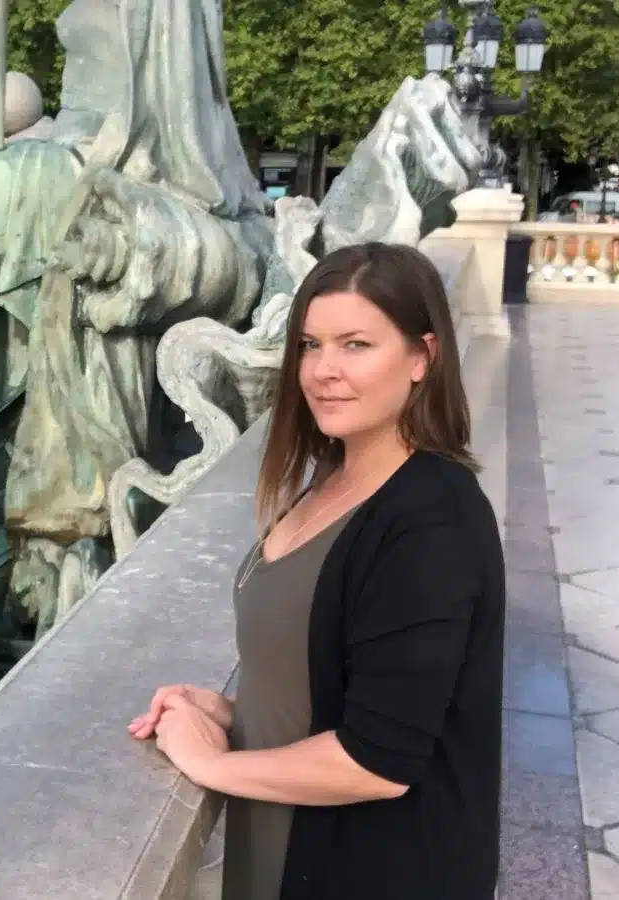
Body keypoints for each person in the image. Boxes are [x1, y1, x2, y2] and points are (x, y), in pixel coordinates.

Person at [129, 242, 505, 900]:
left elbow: (377, 762)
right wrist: (232, 712)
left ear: (422, 356)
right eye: (310, 345)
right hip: (280, 848)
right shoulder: (334, 476)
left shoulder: (432, 521)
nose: (324, 371)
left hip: (371, 872)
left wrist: (209, 763)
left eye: (356, 345)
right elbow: (339, 683)